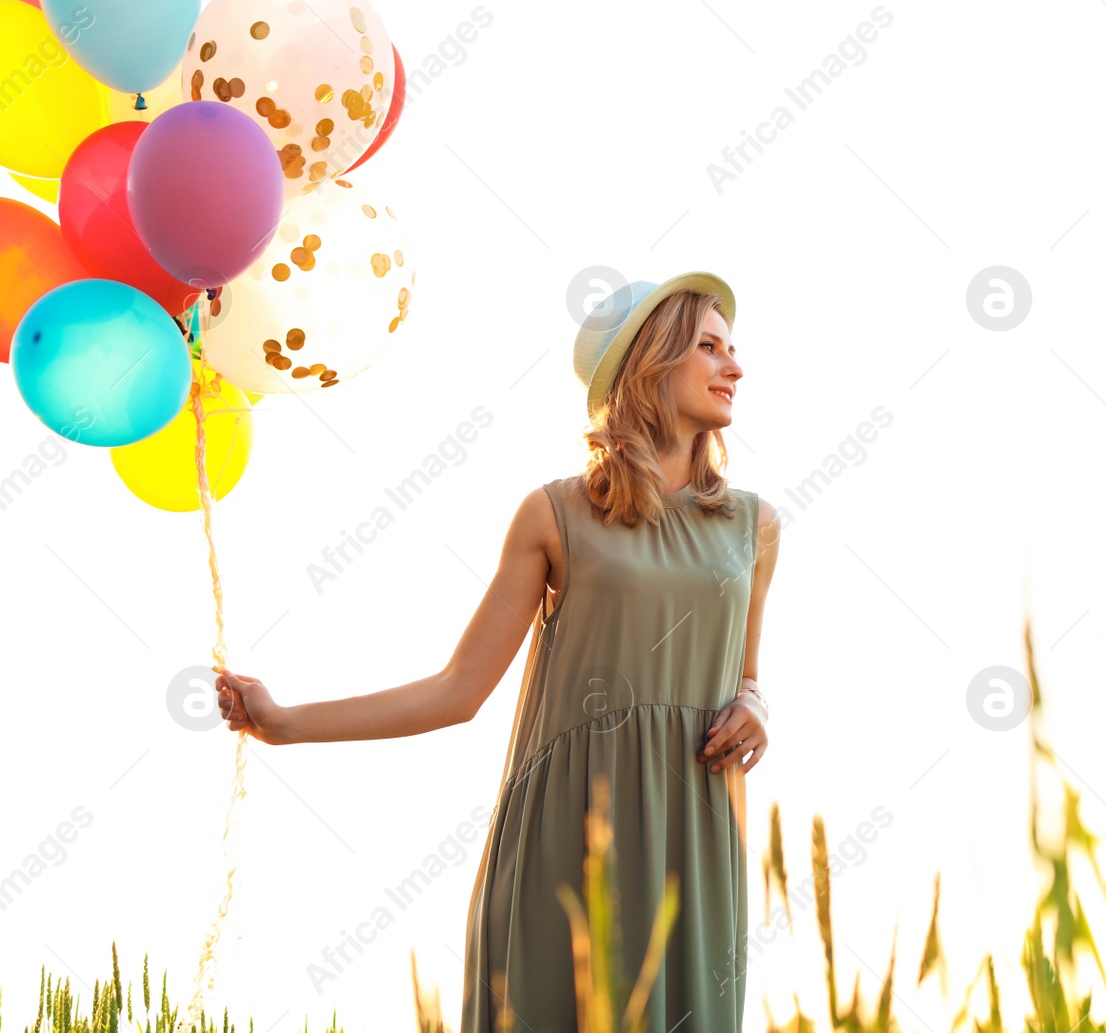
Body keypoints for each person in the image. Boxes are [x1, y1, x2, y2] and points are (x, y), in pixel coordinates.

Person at [213, 271, 781, 1031]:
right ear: (651, 361)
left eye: (733, 349)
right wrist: (284, 721)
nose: (734, 366)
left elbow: (747, 676)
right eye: (709, 347)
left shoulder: (754, 526)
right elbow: (458, 690)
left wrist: (756, 705)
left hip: (696, 835)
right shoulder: (556, 514)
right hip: (567, 838)